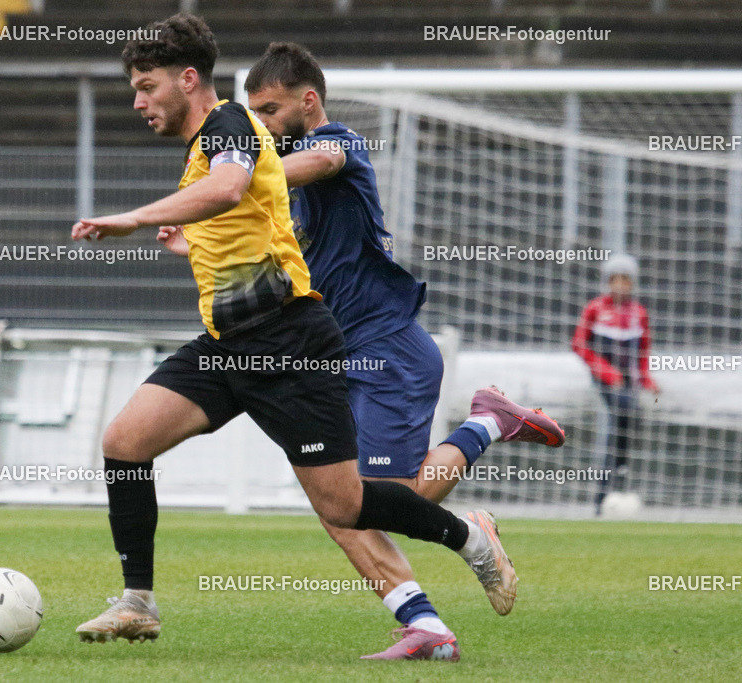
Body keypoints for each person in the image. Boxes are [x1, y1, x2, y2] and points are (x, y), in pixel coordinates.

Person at [70, 13, 516, 649]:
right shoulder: (211, 148)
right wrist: (192, 240)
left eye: (147, 86)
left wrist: (134, 218)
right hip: (229, 345)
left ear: (188, 79)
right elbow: (252, 220)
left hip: (289, 344)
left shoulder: (229, 124)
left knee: (345, 505)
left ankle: (469, 538)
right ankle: (138, 602)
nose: (139, 102)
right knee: (125, 442)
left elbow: (232, 187)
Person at [158, 41, 563, 661]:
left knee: (395, 499)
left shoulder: (338, 145)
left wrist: (239, 176)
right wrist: (194, 238)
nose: (260, 123)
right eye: (253, 113)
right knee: (339, 506)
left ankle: (486, 424)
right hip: (323, 353)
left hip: (385, 345)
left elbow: (314, 163)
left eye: (270, 110)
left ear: (308, 101)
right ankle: (423, 627)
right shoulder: (276, 183)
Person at [572, 254, 658, 515]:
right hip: (605, 378)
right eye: (615, 279)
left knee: (625, 426)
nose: (620, 285)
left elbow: (642, 352)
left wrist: (646, 379)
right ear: (608, 281)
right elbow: (579, 344)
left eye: (625, 279)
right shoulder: (596, 308)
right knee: (622, 417)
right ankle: (608, 488)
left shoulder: (638, 313)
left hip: (626, 381)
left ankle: (613, 486)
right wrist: (607, 372)